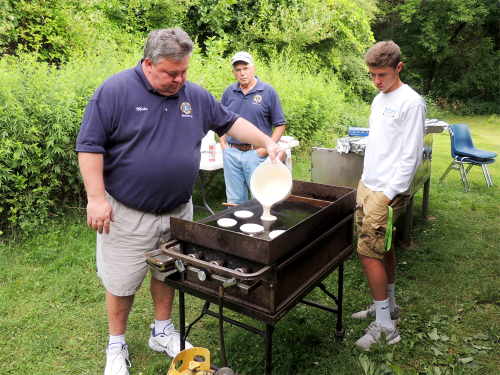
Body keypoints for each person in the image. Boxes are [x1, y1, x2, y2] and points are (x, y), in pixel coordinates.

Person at [76, 28, 284, 375]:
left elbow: (232, 123)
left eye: (184, 71)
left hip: (178, 211)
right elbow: (90, 146)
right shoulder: (114, 92)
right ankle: (116, 345)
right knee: (121, 281)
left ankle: (162, 331)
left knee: (169, 271)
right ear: (148, 64)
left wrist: (267, 140)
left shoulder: (195, 96)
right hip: (128, 214)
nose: (179, 79)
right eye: (171, 73)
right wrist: (96, 198)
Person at [351, 41, 426, 350]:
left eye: (382, 74)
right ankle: (388, 308)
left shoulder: (411, 102)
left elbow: (411, 156)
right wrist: (367, 182)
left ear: (399, 67)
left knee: (368, 253)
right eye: (371, 75)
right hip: (368, 183)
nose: (377, 81)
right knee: (383, 247)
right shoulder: (378, 98)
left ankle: (386, 329)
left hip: (386, 191)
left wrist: (387, 195)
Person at [219, 51, 286, 204]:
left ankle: (261, 228)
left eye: (246, 68)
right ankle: (236, 228)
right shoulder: (229, 92)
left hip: (256, 153)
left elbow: (280, 125)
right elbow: (220, 120)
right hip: (231, 152)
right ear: (233, 72)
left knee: (260, 197)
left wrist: (265, 149)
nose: (242, 73)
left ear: (253, 68)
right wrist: (223, 144)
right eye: (238, 70)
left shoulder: (268, 92)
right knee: (234, 200)